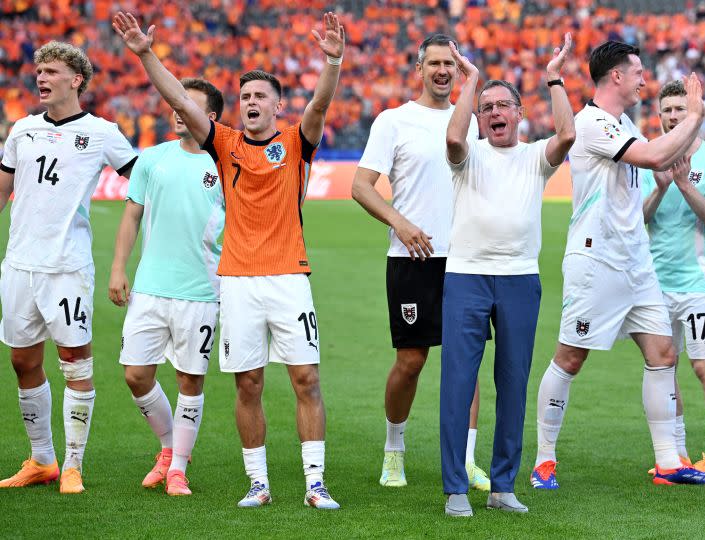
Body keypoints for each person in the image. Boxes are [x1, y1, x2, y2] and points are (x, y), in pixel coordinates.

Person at [113, 10, 344, 509]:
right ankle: (258, 483)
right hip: (237, 281)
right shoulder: (225, 144)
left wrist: (332, 62)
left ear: (279, 107)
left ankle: (315, 483)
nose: (252, 102)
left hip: (289, 277)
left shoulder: (295, 143)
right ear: (235, 109)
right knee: (249, 383)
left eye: (262, 96)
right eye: (246, 97)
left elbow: (322, 104)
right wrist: (146, 53)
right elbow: (178, 99)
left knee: (306, 378)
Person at [530, 40, 705, 491]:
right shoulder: (592, 123)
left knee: (662, 354)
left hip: (636, 262)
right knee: (571, 357)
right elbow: (655, 155)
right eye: (637, 71)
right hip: (597, 259)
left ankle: (668, 462)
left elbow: (655, 160)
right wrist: (694, 116)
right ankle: (544, 461)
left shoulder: (623, 122)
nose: (643, 79)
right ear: (616, 76)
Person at [440, 34, 575, 517]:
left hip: (520, 278)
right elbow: (453, 138)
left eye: (503, 105)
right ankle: (456, 486)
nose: (495, 112)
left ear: (519, 113)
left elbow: (568, 136)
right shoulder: (468, 153)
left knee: (513, 384)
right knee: (458, 381)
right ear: (479, 117)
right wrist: (471, 81)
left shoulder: (534, 156)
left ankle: (502, 486)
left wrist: (554, 76)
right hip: (466, 276)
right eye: (486, 107)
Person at [351, 34, 489, 491]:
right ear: (419, 69)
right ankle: (394, 448)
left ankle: (466, 461)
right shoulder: (394, 121)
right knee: (411, 361)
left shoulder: (472, 121)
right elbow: (362, 185)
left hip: (468, 259)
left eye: (450, 63)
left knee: (466, 361)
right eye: (433, 63)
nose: (442, 70)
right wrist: (401, 223)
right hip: (413, 257)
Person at [0, 41, 138, 494]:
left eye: (51, 71)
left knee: (75, 362)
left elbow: (140, 184)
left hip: (67, 267)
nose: (40, 78)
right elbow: (2, 191)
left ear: (76, 79)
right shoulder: (21, 129)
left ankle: (74, 463)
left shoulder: (102, 132)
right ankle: (42, 460)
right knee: (23, 359)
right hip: (20, 264)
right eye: (38, 71)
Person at [108, 78, 226, 496]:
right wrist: (119, 267)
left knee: (189, 380)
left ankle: (177, 468)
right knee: (136, 374)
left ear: (209, 118)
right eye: (174, 103)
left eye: (187, 105)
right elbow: (131, 216)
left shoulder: (224, 163)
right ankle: (168, 448)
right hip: (151, 287)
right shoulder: (151, 159)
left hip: (201, 290)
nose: (177, 110)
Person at [640, 80, 705, 479]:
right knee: (665, 366)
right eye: (667, 110)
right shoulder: (649, 158)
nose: (673, 116)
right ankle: (674, 455)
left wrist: (683, 185)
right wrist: (662, 188)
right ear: (659, 115)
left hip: (698, 283)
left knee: (704, 365)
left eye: (680, 109)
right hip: (656, 284)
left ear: (691, 113)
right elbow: (638, 219)